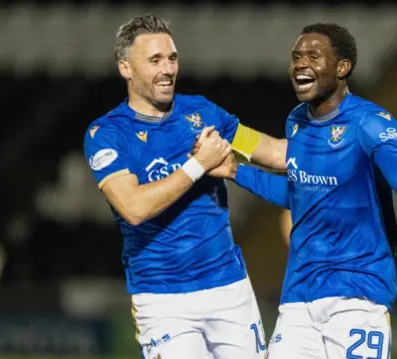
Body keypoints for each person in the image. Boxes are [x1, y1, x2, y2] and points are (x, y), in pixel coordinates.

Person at [198, 23, 397, 359]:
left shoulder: (369, 122)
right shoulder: (296, 121)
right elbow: (299, 193)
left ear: (342, 68)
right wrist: (235, 171)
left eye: (313, 56)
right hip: (300, 296)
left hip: (358, 294)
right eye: (296, 57)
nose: (300, 64)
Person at [82, 14, 286, 359]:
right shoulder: (107, 134)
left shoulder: (203, 113)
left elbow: (276, 154)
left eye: (172, 58)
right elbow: (133, 208)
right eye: (155, 60)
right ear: (125, 69)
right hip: (163, 300)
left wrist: (341, 145)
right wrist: (198, 165)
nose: (167, 69)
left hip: (229, 289)